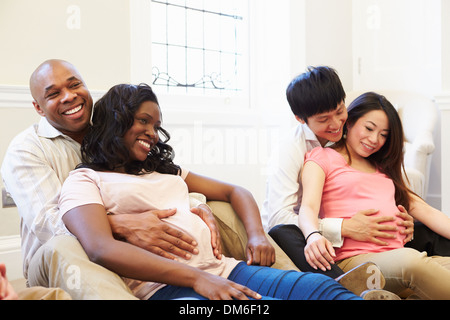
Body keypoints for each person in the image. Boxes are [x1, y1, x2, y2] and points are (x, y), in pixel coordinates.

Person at [56, 82, 364, 300]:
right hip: (167, 288)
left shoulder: (164, 170)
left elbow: (235, 191)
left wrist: (256, 234)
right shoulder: (84, 180)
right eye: (143, 121)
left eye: (156, 125)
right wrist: (197, 278)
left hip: (227, 270)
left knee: (322, 290)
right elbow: (99, 247)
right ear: (116, 120)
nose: (152, 133)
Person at [0, 59, 273, 300]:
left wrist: (193, 203)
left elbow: (152, 181)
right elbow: (49, 224)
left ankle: (274, 274)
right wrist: (119, 224)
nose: (69, 96)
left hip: (127, 249)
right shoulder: (26, 150)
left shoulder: (109, 130)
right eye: (54, 93)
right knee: (69, 244)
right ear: (38, 107)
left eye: (75, 85)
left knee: (217, 207)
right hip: (57, 256)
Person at [263, 66, 414, 280]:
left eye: (339, 111)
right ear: (300, 118)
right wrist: (343, 227)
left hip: (345, 236)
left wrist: (398, 217)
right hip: (299, 233)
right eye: (324, 119)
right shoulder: (290, 149)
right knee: (285, 233)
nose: (336, 125)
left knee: (421, 231)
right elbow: (279, 219)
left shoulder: (350, 137)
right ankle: (346, 288)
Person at [298, 91, 450, 299]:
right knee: (413, 263)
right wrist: (312, 235)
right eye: (369, 128)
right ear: (349, 122)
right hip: (356, 262)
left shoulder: (383, 168)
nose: (374, 139)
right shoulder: (322, 158)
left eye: (383, 134)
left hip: (396, 258)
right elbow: (307, 207)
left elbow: (426, 211)